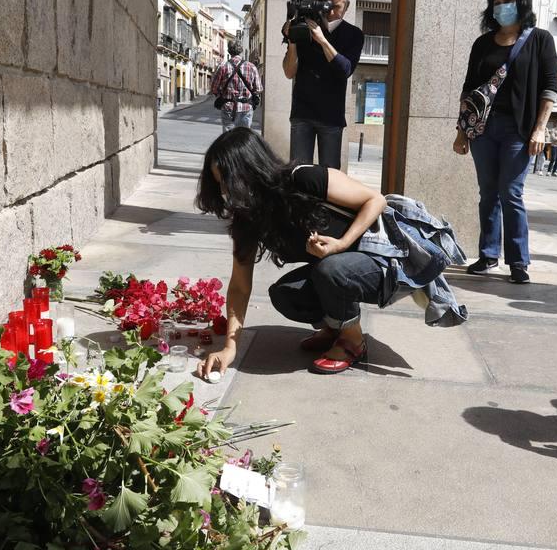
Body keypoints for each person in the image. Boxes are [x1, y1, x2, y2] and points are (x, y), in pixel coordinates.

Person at [196, 128, 467, 377]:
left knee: (331, 269)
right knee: (285, 294)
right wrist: (231, 348)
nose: (226, 193)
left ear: (251, 169)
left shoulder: (303, 178)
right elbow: (240, 286)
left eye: (228, 183)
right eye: (220, 185)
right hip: (342, 268)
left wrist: (342, 243)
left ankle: (352, 342)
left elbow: (376, 200)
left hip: (385, 261)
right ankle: (338, 327)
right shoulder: (249, 218)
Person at [452, 0, 557, 284]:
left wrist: (540, 129)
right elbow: (469, 89)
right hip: (483, 128)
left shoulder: (540, 40)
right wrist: (462, 131)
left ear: (520, 2)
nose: (501, 8)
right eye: (496, 3)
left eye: (507, 1)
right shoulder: (482, 43)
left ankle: (518, 262)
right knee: (488, 193)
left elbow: (549, 88)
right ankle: (487, 256)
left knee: (510, 192)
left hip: (518, 129)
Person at [283, 0, 365, 169]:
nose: (331, 12)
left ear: (347, 6)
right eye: (326, 5)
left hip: (331, 117)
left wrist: (322, 40)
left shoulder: (353, 34)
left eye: (337, 6)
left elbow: (345, 69)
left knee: (331, 179)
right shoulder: (305, 28)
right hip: (302, 113)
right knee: (299, 174)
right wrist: (293, 41)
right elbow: (289, 72)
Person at [210, 41, 262, 133]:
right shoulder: (251, 66)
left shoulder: (223, 67)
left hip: (228, 107)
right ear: (241, 50)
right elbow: (258, 88)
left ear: (229, 51)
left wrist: (221, 94)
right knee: (244, 138)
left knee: (228, 138)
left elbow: (214, 88)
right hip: (246, 107)